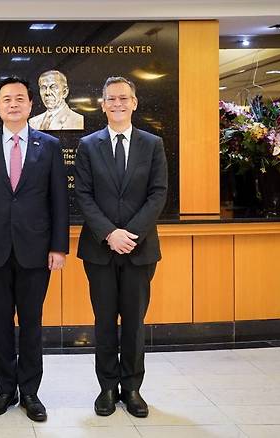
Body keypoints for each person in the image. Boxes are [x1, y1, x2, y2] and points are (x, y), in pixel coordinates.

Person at [0, 76, 69, 422]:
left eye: (19, 98)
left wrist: (58, 247)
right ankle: (5, 389)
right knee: (0, 323)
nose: (13, 103)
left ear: (30, 104)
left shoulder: (49, 146)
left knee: (32, 322)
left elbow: (59, 200)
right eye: (6, 99)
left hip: (36, 249)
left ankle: (30, 392)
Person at [74, 76, 168, 418]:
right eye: (111, 98)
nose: (117, 104)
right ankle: (107, 389)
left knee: (134, 322)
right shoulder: (88, 145)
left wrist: (131, 234)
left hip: (140, 250)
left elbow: (158, 193)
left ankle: (132, 389)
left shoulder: (152, 143)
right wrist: (109, 233)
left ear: (135, 102)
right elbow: (83, 195)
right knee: (103, 322)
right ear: (102, 105)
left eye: (124, 98)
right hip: (99, 249)